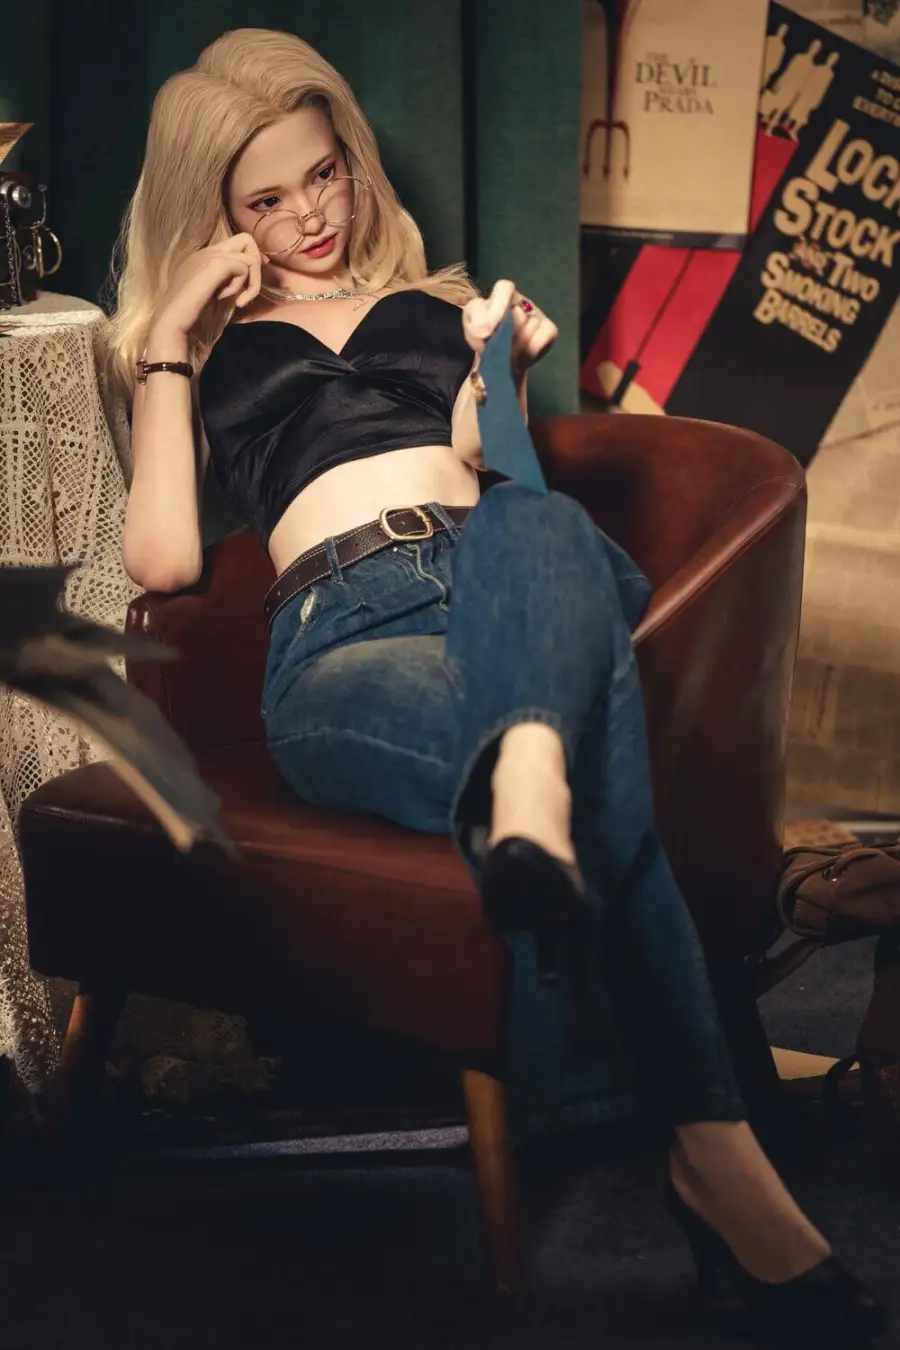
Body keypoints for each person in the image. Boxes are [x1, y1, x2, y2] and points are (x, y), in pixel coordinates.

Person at [111, 28, 885, 1344]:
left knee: (539, 515)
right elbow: (167, 559)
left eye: (324, 174)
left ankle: (528, 777)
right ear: (217, 215)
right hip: (348, 631)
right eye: (267, 198)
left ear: (353, 162)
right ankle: (715, 1157)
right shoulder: (204, 349)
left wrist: (502, 376)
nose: (310, 214)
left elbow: (502, 468)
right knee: (595, 762)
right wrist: (174, 332)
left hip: (511, 582)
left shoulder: (438, 303)